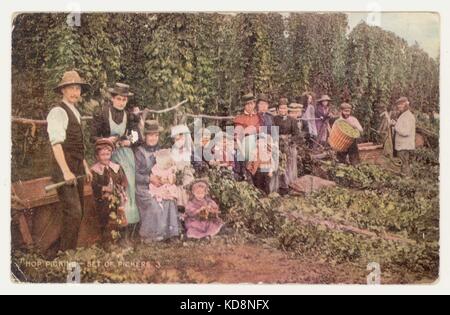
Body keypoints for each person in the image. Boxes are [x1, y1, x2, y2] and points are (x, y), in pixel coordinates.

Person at [46, 70, 93, 252]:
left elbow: (76, 145)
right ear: (63, 91)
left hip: (76, 168)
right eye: (71, 88)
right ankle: (65, 256)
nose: (75, 92)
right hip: (63, 170)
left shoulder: (75, 111)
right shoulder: (58, 112)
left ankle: (59, 253)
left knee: (77, 213)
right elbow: (56, 144)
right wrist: (65, 171)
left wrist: (85, 166)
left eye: (78, 88)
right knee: (73, 213)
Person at [91, 83, 141, 241]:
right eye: (118, 99)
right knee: (111, 190)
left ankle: (129, 229)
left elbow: (136, 135)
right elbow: (92, 136)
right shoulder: (103, 114)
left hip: (125, 156)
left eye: (124, 99)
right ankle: (112, 230)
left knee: (129, 189)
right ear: (112, 98)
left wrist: (129, 142)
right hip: (107, 156)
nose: (121, 102)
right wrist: (105, 140)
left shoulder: (129, 115)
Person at [135, 120, 180, 243]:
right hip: (143, 186)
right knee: (154, 204)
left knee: (169, 200)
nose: (153, 138)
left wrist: (168, 177)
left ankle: (171, 234)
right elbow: (135, 174)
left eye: (156, 135)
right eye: (150, 135)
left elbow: (168, 167)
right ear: (145, 136)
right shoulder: (139, 152)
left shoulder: (161, 151)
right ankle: (151, 235)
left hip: (160, 185)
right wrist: (149, 178)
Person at [91, 139, 128, 244]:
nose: (106, 157)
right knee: (105, 217)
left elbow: (124, 181)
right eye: (102, 155)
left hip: (117, 196)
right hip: (103, 199)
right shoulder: (95, 170)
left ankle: (122, 240)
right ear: (97, 156)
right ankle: (107, 241)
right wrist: (104, 188)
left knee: (121, 214)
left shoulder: (116, 167)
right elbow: (93, 186)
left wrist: (120, 188)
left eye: (108, 154)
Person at [274, 99, 300, 195]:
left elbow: (297, 134)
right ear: (278, 109)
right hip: (277, 145)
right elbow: (273, 132)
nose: (282, 110)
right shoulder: (275, 119)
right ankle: (281, 187)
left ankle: (291, 185)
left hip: (289, 145)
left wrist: (290, 140)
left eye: (284, 108)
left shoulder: (292, 120)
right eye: (280, 108)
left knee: (290, 165)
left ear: (287, 109)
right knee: (279, 165)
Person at [233, 93, 261, 181]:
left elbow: (259, 130)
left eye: (252, 104)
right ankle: (245, 175)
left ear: (254, 104)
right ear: (244, 106)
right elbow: (238, 134)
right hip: (243, 143)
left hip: (256, 142)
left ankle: (254, 177)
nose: (250, 106)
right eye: (247, 104)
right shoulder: (240, 118)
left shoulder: (257, 117)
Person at [171, 125, 196, 208]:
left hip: (187, 174)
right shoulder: (173, 151)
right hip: (175, 174)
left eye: (181, 137)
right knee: (176, 187)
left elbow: (195, 164)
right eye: (176, 139)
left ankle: (187, 208)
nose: (178, 140)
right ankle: (179, 208)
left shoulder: (189, 151)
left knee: (187, 184)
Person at [391, 97, 416, 177]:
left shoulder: (408, 116)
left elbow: (406, 132)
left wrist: (395, 126)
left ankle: (407, 180)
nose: (399, 107)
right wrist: (395, 124)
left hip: (405, 146)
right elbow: (401, 127)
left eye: (401, 105)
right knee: (403, 165)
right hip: (402, 145)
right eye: (398, 105)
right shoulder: (404, 115)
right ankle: (405, 180)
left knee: (404, 165)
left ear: (406, 105)